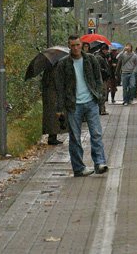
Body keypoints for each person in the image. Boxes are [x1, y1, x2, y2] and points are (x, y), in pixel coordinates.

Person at [55, 35, 108, 177]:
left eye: (78, 45)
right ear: (69, 46)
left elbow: (98, 79)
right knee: (75, 137)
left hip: (91, 101)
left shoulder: (91, 60)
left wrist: (99, 96)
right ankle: (79, 168)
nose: (76, 48)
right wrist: (59, 108)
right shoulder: (63, 64)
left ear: (82, 44)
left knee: (96, 133)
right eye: (72, 45)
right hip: (73, 105)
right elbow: (59, 87)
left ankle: (100, 163)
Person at [41, 62, 62, 145]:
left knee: (51, 117)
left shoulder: (48, 70)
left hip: (48, 96)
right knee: (54, 117)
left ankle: (52, 136)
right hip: (53, 97)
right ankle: (52, 138)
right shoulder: (54, 70)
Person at [94, 43, 112, 115]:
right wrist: (105, 71)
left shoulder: (104, 57)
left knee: (103, 93)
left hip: (103, 78)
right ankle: (101, 109)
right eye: (106, 50)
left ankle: (102, 109)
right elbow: (98, 68)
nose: (107, 52)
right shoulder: (99, 57)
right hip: (101, 78)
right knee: (103, 93)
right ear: (103, 50)